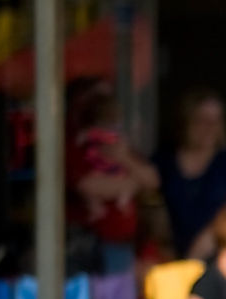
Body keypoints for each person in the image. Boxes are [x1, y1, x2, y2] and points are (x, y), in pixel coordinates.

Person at [155, 88, 226, 260]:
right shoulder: (165, 160)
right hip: (168, 256)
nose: (210, 127)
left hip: (219, 258)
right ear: (186, 121)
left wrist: (198, 251)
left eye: (216, 121)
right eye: (202, 120)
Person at [67, 85, 158, 273]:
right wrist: (134, 183)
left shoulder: (116, 140)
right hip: (89, 244)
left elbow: (152, 180)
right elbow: (89, 186)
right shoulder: (77, 142)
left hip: (124, 241)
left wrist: (123, 158)